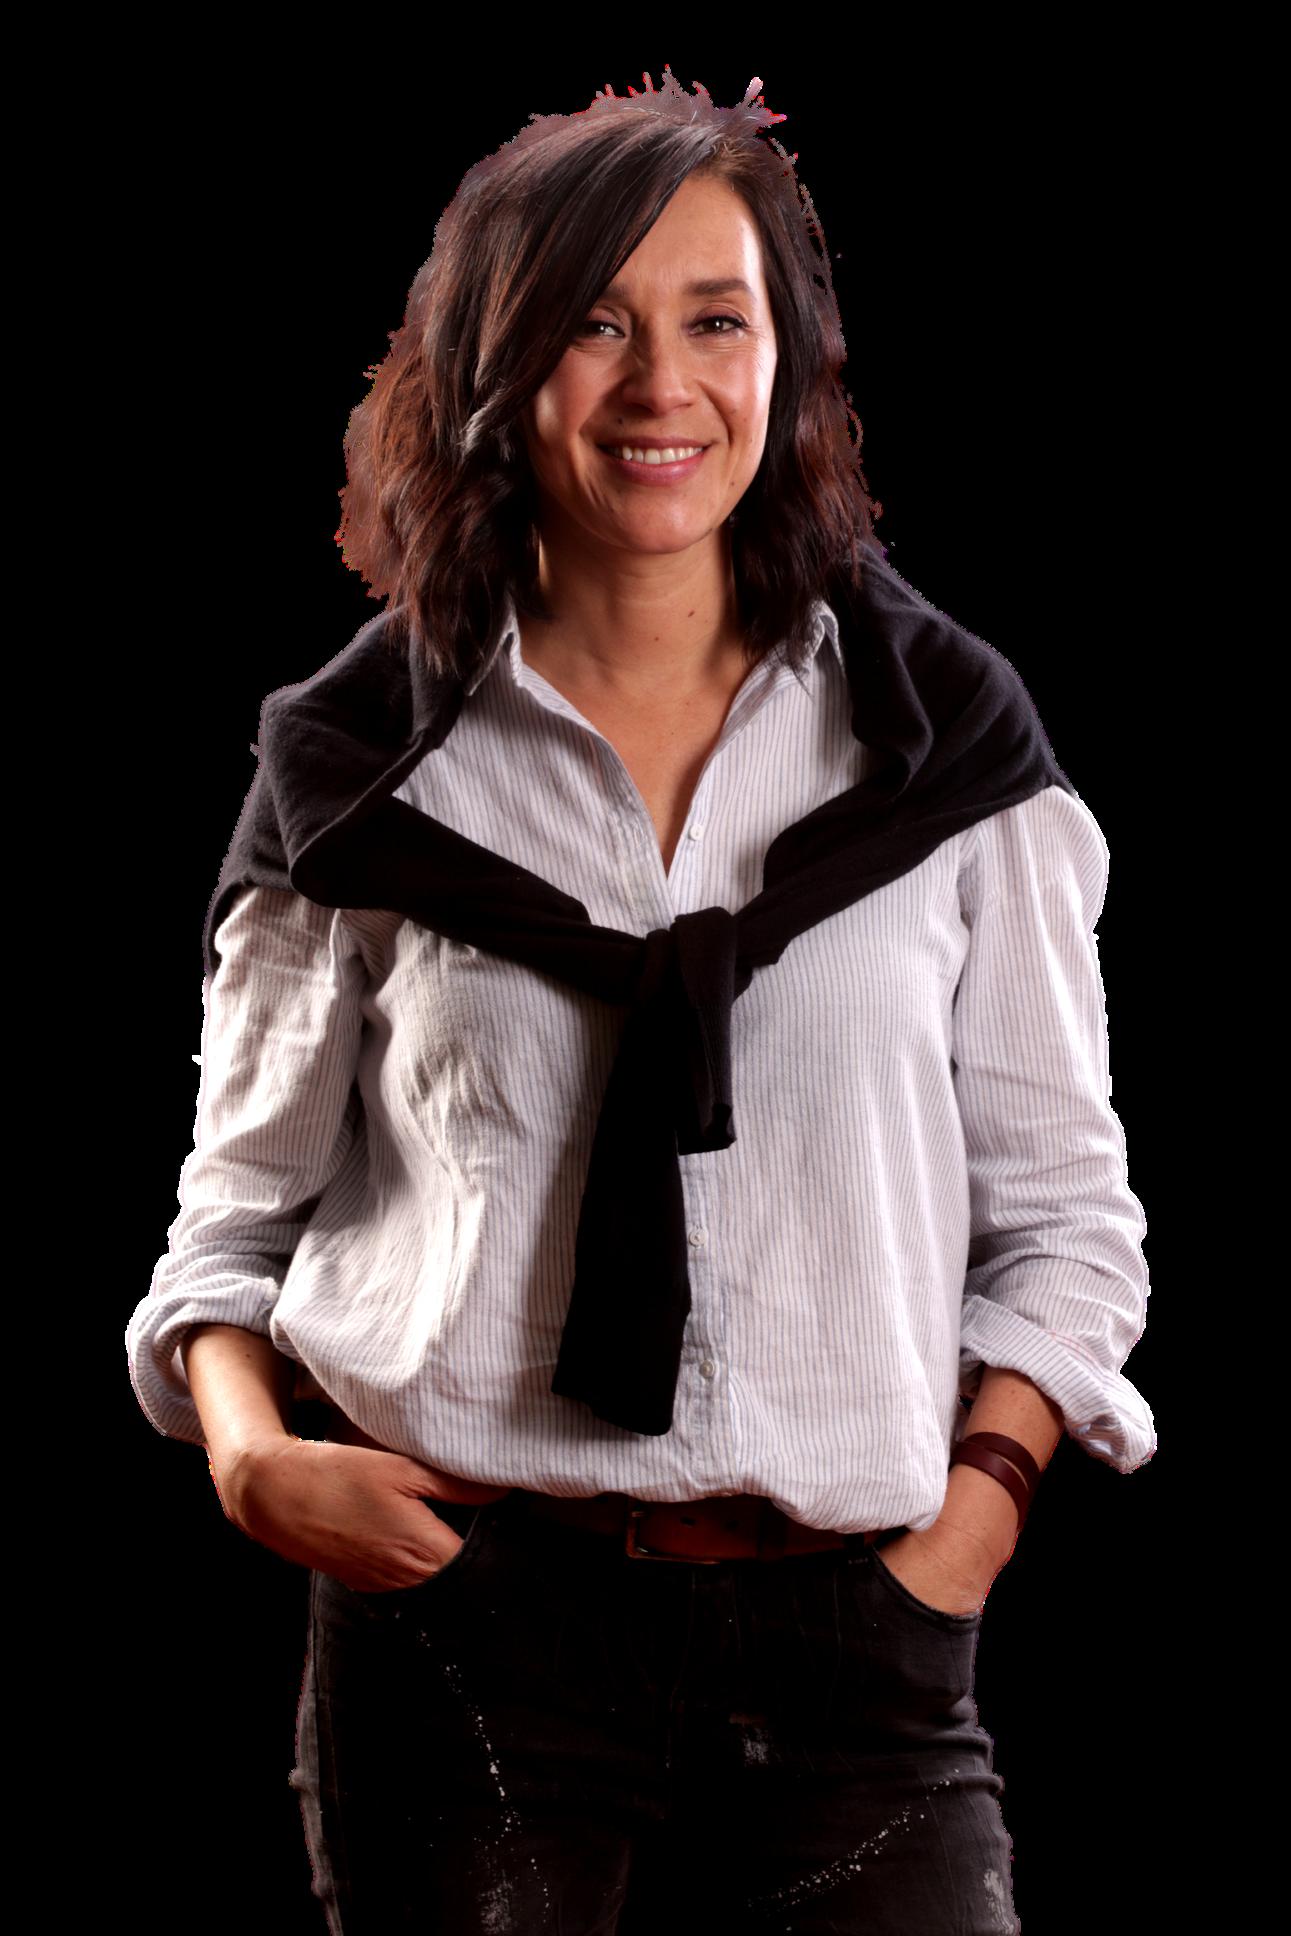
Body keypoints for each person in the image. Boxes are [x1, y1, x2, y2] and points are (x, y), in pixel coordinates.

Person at [124, 69, 1155, 1935]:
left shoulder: (944, 750)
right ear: (496, 368)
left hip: (863, 1640)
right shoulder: (356, 769)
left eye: (714, 321)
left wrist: (972, 1524)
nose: (658, 385)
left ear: (792, 361)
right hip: (464, 1634)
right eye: (593, 323)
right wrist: (255, 1460)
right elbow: (235, 1218)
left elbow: (1068, 1218)